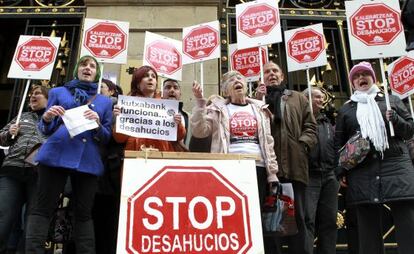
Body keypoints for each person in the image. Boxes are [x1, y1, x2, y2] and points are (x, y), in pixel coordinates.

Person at [25, 55, 113, 254]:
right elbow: (45, 129)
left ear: (97, 74)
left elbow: (106, 137)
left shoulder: (104, 102)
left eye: (92, 66)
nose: (88, 68)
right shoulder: (58, 92)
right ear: (77, 70)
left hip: (88, 161)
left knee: (83, 213)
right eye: (83, 64)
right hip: (56, 154)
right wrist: (47, 118)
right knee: (42, 208)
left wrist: (98, 124)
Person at [191, 70, 279, 250]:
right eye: (231, 80)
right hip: (230, 168)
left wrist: (273, 174)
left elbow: (268, 142)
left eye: (240, 78)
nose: (237, 81)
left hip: (258, 167)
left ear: (247, 86)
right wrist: (200, 102)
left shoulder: (260, 109)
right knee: (234, 217)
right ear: (225, 90)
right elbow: (199, 131)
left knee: (256, 217)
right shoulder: (218, 109)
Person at [334, 61, 414, 254]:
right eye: (356, 76)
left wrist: (395, 118)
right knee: (367, 229)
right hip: (362, 171)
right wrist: (340, 171)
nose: (361, 78)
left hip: (396, 166)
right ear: (352, 83)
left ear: (373, 78)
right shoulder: (346, 110)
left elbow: (410, 131)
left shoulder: (391, 100)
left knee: (408, 225)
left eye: (365, 74)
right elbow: (339, 143)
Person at [256, 61, 317, 254]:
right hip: (267, 171)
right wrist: (258, 100)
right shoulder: (256, 101)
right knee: (270, 221)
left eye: (275, 71)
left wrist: (302, 145)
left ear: (282, 76)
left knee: (296, 220)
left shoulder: (297, 98)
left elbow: (311, 127)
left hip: (294, 168)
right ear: (261, 78)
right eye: (267, 72)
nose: (271, 74)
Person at [0, 85, 48, 254]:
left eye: (37, 94)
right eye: (30, 95)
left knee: (32, 221)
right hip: (12, 170)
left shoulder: (53, 119)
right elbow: (2, 138)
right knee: (4, 215)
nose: (32, 97)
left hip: (38, 173)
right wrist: (8, 133)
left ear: (48, 98)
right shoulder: (21, 116)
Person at [113, 66, 186, 151]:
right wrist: (119, 119)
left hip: (162, 155)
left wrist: (178, 123)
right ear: (137, 83)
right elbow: (119, 139)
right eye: (146, 76)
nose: (150, 78)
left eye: (153, 76)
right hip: (136, 155)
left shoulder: (166, 107)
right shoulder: (125, 106)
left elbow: (179, 136)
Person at [302, 87, 339, 254]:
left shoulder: (328, 122)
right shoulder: (300, 120)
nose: (320, 100)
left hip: (330, 175)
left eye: (322, 98)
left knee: (329, 220)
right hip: (309, 175)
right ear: (305, 99)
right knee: (307, 220)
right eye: (316, 97)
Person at [162, 78, 190, 145]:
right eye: (168, 87)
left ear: (180, 94)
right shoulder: (153, 114)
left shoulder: (189, 117)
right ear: (162, 93)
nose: (172, 90)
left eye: (175, 88)